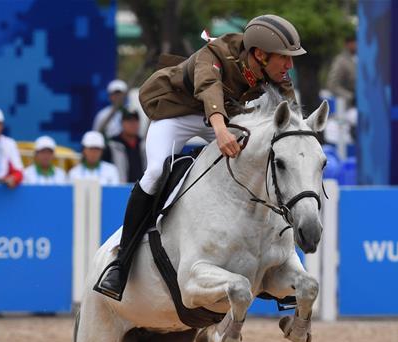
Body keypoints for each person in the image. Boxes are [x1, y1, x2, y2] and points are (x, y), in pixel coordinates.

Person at [94, 14, 305, 300]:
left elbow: (291, 115)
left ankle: (272, 262)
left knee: (260, 159)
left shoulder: (277, 74)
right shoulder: (216, 53)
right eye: (285, 58)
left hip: (222, 119)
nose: (289, 65)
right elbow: (209, 87)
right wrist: (220, 129)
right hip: (176, 114)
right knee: (156, 171)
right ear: (260, 54)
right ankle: (121, 264)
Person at [110, 110, 145, 183]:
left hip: (142, 190)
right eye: (129, 121)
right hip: (120, 189)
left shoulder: (145, 144)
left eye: (135, 121)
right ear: (122, 123)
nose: (132, 124)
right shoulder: (112, 145)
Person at [326, 33, 357, 107]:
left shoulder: (365, 59)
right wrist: (351, 97)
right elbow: (332, 85)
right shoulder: (341, 61)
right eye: (353, 42)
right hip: (350, 107)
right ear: (347, 44)